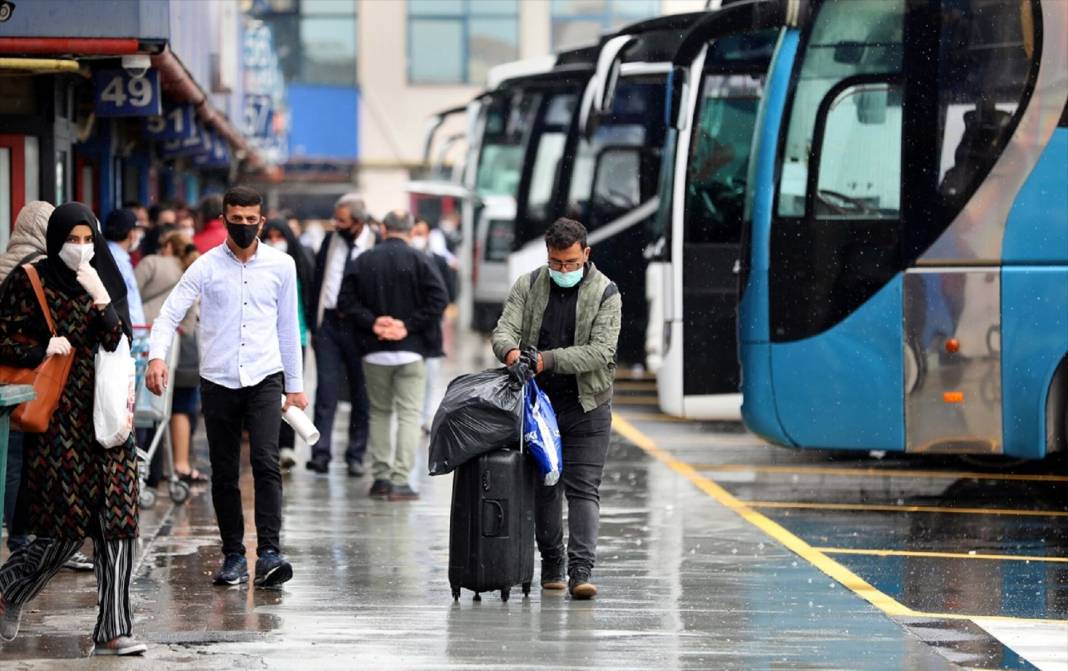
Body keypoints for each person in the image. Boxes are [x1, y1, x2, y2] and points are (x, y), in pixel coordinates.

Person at [0, 202, 146, 655]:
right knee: (63, 533)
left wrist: (100, 295)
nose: (81, 249)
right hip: (60, 423)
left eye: (88, 240)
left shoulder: (102, 276)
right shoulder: (30, 280)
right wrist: (43, 348)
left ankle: (114, 630)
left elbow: (116, 339)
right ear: (54, 239)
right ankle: (8, 589)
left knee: (119, 524)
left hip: (109, 420)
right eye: (71, 240)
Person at [146, 186, 307, 589]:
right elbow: (168, 316)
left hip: (265, 376)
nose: (244, 227)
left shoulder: (282, 266)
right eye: (236, 220)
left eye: (251, 221)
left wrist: (296, 385)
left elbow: (288, 328)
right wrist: (157, 357)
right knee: (224, 471)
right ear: (223, 220)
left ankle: (269, 553)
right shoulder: (203, 267)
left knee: (267, 463)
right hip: (217, 378)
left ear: (262, 222)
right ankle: (234, 555)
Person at [491, 217, 621, 600]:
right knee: (546, 485)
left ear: (586, 253)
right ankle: (553, 563)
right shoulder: (529, 285)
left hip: (587, 405)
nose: (563, 270)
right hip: (537, 407)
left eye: (570, 263)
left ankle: (581, 572)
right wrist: (512, 352)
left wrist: (547, 359)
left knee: (583, 490)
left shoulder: (606, 293)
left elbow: (601, 352)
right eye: (556, 263)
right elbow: (503, 330)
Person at [337, 209, 448, 501]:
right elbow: (439, 299)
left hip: (374, 352)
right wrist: (407, 326)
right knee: (409, 415)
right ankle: (400, 480)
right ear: (411, 229)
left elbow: (345, 301)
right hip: (411, 352)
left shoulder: (364, 260)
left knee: (380, 413)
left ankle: (381, 478)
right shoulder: (421, 260)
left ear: (383, 228)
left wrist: (373, 322)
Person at [306, 194, 375, 476]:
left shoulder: (376, 243)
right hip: (330, 325)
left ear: (358, 223)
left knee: (362, 392)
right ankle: (320, 453)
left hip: (361, 327)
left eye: (342, 220)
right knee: (326, 389)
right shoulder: (329, 240)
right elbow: (318, 279)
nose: (336, 224)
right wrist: (315, 323)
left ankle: (355, 455)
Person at [0, 201, 54, 557]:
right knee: (21, 455)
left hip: (4, 375)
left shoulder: (4, 262)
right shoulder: (36, 270)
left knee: (9, 454)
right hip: (25, 373)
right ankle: (19, 535)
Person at [135, 230, 206, 483]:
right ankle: (181, 465)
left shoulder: (151, 263)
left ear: (166, 245)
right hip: (184, 350)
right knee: (180, 408)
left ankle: (147, 468)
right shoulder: (192, 271)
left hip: (147, 346)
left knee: (144, 407)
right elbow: (188, 323)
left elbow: (132, 295)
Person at [260, 218, 314, 471]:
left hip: (296, 338)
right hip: (264, 340)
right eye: (268, 236)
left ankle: (287, 445)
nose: (274, 241)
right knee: (269, 394)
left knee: (291, 389)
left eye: (278, 235)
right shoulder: (261, 267)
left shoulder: (299, 264)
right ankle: (270, 444)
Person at [411, 218, 457, 433]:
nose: (419, 237)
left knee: (429, 376)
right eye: (415, 232)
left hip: (430, 329)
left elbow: (448, 292)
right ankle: (411, 415)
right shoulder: (405, 260)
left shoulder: (438, 261)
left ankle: (424, 416)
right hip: (408, 331)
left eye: (422, 232)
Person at [103, 208, 146, 328]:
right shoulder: (117, 259)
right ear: (130, 233)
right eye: (136, 230)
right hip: (127, 331)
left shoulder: (117, 256)